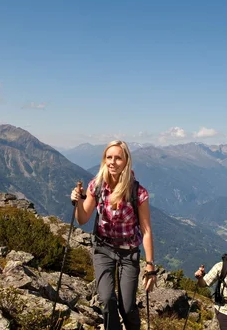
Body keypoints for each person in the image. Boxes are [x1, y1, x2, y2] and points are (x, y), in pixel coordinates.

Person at [70, 140, 156, 330]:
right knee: (107, 300)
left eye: (118, 158)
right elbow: (82, 219)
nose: (112, 162)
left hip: (129, 252)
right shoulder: (97, 186)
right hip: (103, 248)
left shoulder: (137, 192)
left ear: (126, 161)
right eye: (109, 157)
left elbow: (146, 230)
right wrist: (77, 202)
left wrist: (150, 266)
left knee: (127, 307)